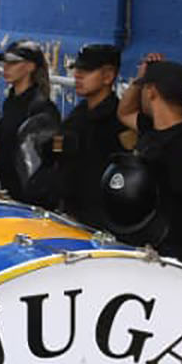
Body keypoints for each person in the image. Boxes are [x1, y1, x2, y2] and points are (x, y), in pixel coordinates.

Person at [112, 57, 182, 256]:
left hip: (169, 247)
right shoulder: (150, 129)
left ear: (151, 91)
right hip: (142, 239)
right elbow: (124, 112)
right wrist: (140, 79)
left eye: (144, 88)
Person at [58, 43, 130, 229]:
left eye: (87, 71)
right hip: (71, 213)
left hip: (102, 222)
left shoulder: (118, 121)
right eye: (78, 69)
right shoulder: (77, 115)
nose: (77, 75)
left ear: (108, 76)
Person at [0, 40, 58, 204]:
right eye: (5, 62)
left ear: (30, 67)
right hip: (7, 194)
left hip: (29, 201)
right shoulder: (11, 101)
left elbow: (42, 164)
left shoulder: (41, 108)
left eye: (13, 63)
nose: (5, 67)